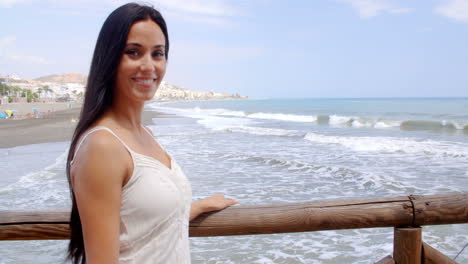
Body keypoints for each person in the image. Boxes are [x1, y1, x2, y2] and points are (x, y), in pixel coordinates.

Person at [66, 3, 238, 264]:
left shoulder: (144, 133)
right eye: (133, 52)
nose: (148, 66)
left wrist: (197, 207)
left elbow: (139, 217)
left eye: (158, 54)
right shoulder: (102, 146)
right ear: (110, 58)